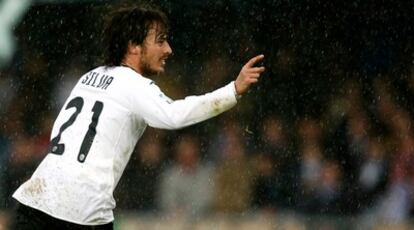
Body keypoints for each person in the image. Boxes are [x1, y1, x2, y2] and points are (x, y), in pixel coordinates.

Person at [10, 4, 265, 230]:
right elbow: (174, 115)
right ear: (133, 46)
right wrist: (233, 90)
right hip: (81, 212)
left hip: (35, 200)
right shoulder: (134, 85)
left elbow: (59, 131)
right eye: (160, 40)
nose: (168, 49)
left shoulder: (90, 76)